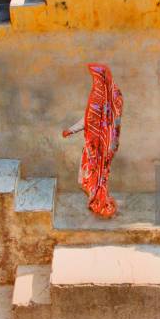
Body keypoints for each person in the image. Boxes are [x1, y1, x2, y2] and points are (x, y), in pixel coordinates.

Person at [62, 64, 123, 218]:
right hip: (94, 144)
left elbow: (114, 122)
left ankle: (99, 202)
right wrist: (71, 130)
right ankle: (96, 201)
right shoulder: (103, 95)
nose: (95, 82)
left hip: (103, 145)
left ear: (102, 78)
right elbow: (89, 119)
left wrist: (110, 144)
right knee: (93, 174)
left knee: (98, 174)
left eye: (96, 78)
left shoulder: (112, 97)